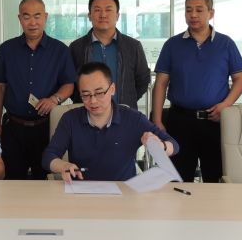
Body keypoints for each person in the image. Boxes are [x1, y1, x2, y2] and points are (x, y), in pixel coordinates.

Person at [152, 0, 242, 183]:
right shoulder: (173, 44)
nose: (193, 15)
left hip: (215, 120)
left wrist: (226, 105)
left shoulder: (225, 43)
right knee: (177, 178)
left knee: (215, 177)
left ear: (211, 13)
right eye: (188, 10)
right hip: (179, 120)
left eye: (199, 10)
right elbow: (160, 83)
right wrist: (157, 119)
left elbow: (240, 79)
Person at [43, 62, 178, 182]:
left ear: (112, 89)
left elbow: (174, 145)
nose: (93, 101)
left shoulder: (133, 119)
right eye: (85, 95)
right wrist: (63, 166)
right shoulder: (70, 119)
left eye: (99, 93)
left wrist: (161, 146)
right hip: (81, 191)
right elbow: (48, 156)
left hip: (124, 192)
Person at [0, 0, 76, 180]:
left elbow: (69, 84)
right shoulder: (6, 49)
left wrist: (54, 99)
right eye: (26, 16)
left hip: (47, 127)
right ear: (19, 18)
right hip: (13, 128)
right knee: (11, 180)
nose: (32, 22)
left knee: (45, 181)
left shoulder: (60, 50)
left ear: (46, 17)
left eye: (37, 16)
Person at [70, 0, 150, 108]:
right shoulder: (76, 47)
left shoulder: (133, 46)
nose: (103, 15)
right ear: (89, 16)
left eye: (108, 10)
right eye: (97, 10)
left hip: (124, 113)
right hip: (87, 113)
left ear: (117, 15)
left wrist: (127, 99)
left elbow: (143, 80)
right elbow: (71, 83)